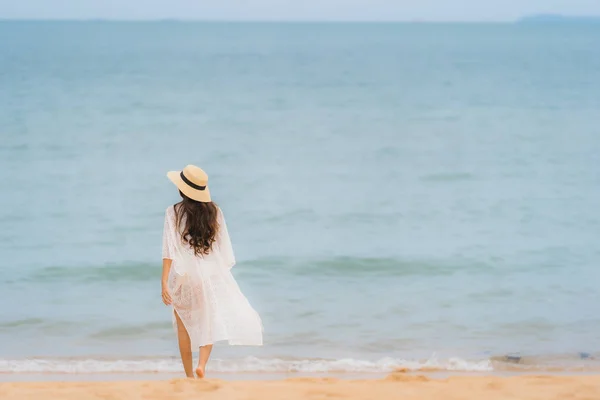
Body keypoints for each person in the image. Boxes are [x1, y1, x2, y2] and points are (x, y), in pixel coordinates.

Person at [161, 165, 263, 378]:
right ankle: (202, 365)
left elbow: (168, 249)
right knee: (207, 320)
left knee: (183, 326)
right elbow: (223, 247)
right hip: (208, 274)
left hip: (183, 277)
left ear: (182, 189)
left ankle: (189, 375)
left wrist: (164, 282)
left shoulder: (172, 212)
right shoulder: (214, 211)